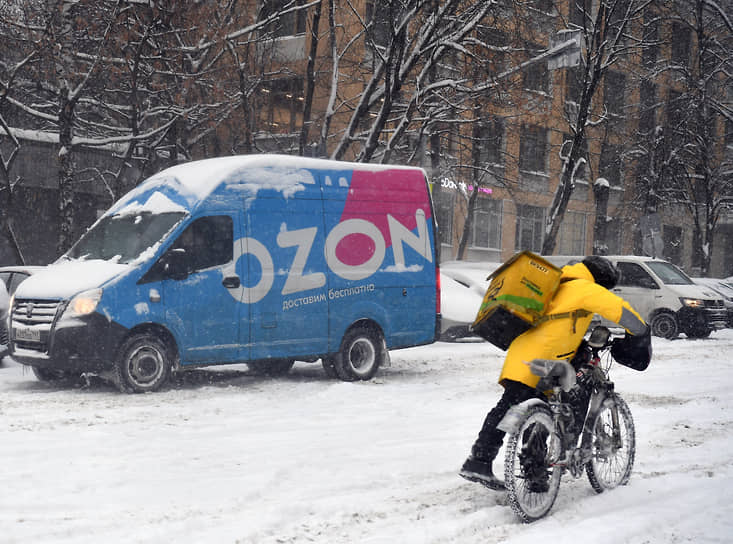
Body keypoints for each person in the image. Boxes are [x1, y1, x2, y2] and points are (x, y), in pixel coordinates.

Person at [460, 255, 651, 491]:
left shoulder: (558, 283)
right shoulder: (585, 288)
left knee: (534, 415)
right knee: (517, 410)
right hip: (543, 358)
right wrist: (641, 330)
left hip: (524, 354)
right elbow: (620, 310)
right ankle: (480, 462)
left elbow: (561, 324)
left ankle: (531, 475)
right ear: (600, 279)